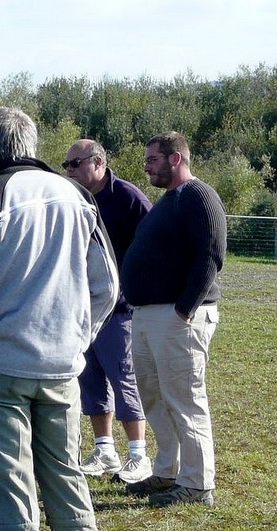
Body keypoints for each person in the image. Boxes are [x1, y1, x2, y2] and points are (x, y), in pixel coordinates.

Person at [0, 107, 118, 531]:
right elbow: (106, 283)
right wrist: (78, 338)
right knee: (67, 482)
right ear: (31, 146)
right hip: (60, 365)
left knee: (10, 491)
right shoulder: (77, 196)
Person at [121, 131, 227, 507]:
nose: (147, 166)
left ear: (175, 159)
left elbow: (211, 254)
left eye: (152, 160)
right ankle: (168, 471)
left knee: (184, 398)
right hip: (150, 316)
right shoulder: (169, 200)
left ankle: (198, 484)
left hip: (177, 317)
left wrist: (185, 309)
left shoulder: (198, 195)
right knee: (154, 397)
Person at [64, 139, 154, 483]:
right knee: (90, 378)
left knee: (124, 378)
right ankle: (105, 450)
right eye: (66, 164)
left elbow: (152, 244)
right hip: (83, 308)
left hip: (119, 310)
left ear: (98, 162)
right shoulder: (73, 198)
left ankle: (138, 455)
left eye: (75, 164)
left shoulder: (129, 197)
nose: (69, 170)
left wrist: (133, 287)